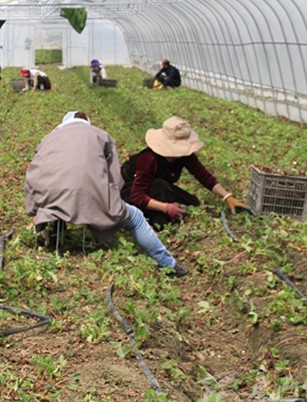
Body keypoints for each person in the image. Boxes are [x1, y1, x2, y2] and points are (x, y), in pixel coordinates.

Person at [24, 111, 189, 277]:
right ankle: (170, 265)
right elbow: (114, 178)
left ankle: (54, 232)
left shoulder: (48, 139)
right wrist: (111, 206)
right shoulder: (101, 135)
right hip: (87, 193)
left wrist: (34, 210)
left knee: (61, 198)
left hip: (48, 195)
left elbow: (33, 172)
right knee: (136, 219)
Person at [121, 116, 247, 230]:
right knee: (162, 210)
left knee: (193, 204)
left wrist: (227, 197)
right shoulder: (149, 159)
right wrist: (166, 208)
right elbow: (137, 196)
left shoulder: (184, 156)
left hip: (161, 189)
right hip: (135, 194)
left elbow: (203, 175)